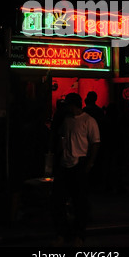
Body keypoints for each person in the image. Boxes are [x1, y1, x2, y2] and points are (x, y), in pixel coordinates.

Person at [51, 92, 100, 247]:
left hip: (79, 163)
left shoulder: (88, 121)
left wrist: (89, 164)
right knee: (58, 201)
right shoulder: (67, 120)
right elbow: (61, 139)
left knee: (80, 202)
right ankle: (63, 234)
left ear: (74, 105)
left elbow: (95, 143)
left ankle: (78, 235)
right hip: (65, 164)